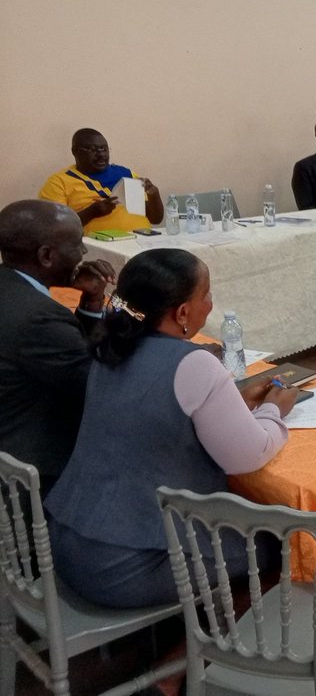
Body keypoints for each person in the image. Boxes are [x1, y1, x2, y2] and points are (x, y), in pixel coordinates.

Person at [44, 249, 298, 608]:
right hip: (126, 565)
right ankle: (211, 646)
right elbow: (248, 456)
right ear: (182, 312)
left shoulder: (110, 346)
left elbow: (154, 410)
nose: (210, 304)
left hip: (68, 540)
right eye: (206, 295)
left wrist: (233, 399)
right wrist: (274, 409)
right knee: (287, 541)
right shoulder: (193, 362)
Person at [0, 200, 115, 492]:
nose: (84, 253)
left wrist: (91, 303)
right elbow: (96, 384)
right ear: (47, 255)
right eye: (77, 244)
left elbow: (67, 354)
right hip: (40, 471)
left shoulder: (10, 289)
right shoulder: (38, 316)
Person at [39, 128, 164, 234]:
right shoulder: (58, 182)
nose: (101, 155)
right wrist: (91, 212)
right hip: (97, 251)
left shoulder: (126, 174)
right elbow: (55, 229)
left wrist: (154, 196)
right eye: (93, 150)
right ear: (75, 151)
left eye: (104, 149)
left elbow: (155, 219)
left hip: (141, 242)